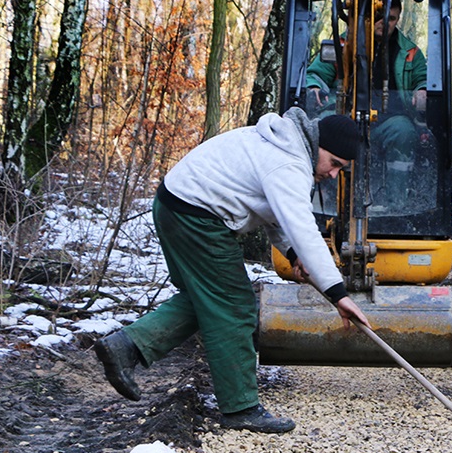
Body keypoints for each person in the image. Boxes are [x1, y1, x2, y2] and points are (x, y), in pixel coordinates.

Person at [93, 108, 370, 434]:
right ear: (319, 145)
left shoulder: (284, 146)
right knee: (234, 306)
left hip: (173, 205)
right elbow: (303, 228)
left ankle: (126, 347)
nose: (334, 174)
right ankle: (241, 408)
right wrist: (337, 294)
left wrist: (295, 255)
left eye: (341, 168)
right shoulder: (290, 162)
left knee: (206, 298)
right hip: (196, 218)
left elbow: (274, 216)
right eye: (334, 163)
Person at [305, 0, 427, 207]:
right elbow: (315, 73)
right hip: (344, 116)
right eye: (380, 16)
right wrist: (314, 86)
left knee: (404, 131)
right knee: (325, 129)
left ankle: (395, 204)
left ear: (397, 20)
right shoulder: (342, 44)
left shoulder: (410, 52)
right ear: (369, 15)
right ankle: (326, 203)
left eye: (391, 18)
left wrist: (422, 91)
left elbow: (423, 79)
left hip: (386, 121)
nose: (385, 23)